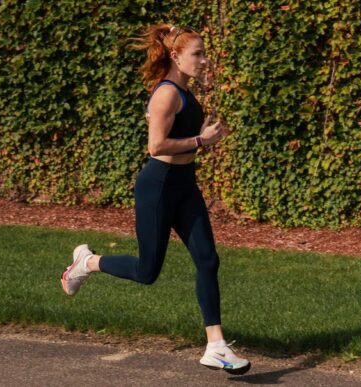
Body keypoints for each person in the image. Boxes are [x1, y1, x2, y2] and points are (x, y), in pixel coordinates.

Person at [60, 24, 250, 374]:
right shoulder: (167, 94)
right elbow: (156, 145)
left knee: (208, 260)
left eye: (205, 53)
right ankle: (86, 262)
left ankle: (216, 346)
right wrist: (201, 141)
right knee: (147, 271)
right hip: (158, 186)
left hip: (185, 185)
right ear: (176, 56)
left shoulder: (186, 91)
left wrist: (201, 138)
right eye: (197, 54)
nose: (204, 60)